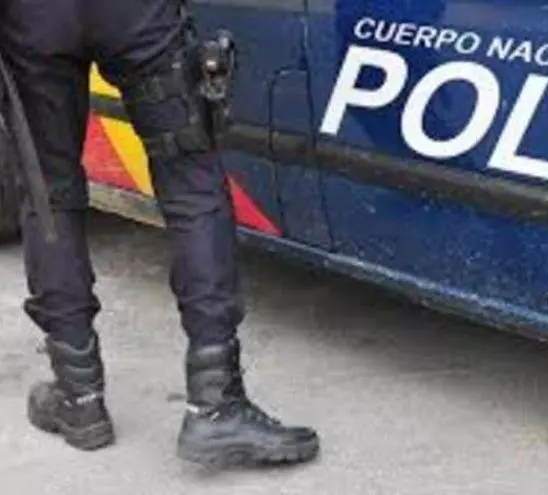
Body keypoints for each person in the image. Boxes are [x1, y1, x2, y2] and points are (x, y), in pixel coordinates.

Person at [0, 0, 320, 468]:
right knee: (190, 179)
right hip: (133, 15)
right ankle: (216, 400)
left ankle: (78, 395)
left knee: (49, 193)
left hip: (33, 17)